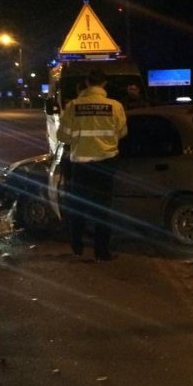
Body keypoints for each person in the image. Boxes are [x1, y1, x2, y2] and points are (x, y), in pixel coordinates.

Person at [56, 68, 127, 261]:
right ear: (104, 84)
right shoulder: (115, 106)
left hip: (81, 166)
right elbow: (122, 133)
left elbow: (62, 136)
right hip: (106, 164)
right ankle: (101, 253)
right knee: (103, 210)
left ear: (87, 83)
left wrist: (79, 139)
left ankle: (77, 249)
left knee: (78, 207)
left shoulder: (73, 106)